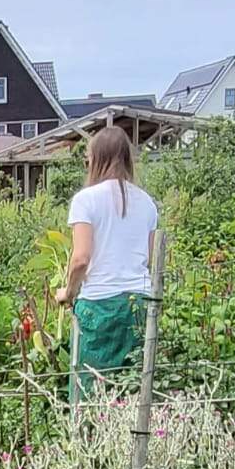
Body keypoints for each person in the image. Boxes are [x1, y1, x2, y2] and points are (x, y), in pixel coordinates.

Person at [54, 126, 159, 405]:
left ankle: (87, 442)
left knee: (89, 390)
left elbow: (81, 259)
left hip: (100, 307)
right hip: (139, 304)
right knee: (132, 388)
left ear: (97, 159)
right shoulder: (147, 203)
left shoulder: (85, 200)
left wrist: (68, 292)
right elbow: (148, 260)